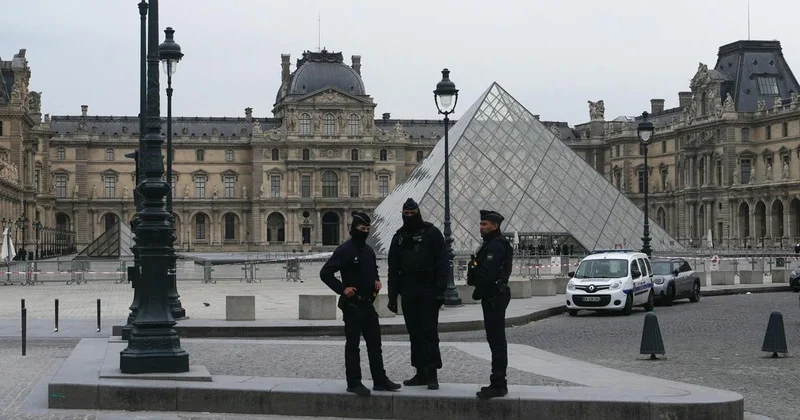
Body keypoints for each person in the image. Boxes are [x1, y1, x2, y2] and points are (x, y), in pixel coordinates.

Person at [320, 211, 401, 396]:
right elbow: (325, 273)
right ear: (353, 229)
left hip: (368, 304)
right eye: (362, 228)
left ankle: (380, 380)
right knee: (353, 346)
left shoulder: (369, 250)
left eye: (367, 229)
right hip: (352, 305)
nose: (365, 231)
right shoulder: (344, 250)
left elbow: (372, 270)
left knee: (375, 345)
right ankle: (354, 382)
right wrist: (342, 289)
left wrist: (376, 281)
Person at [387, 198, 448, 390]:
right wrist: (392, 296)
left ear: (418, 213)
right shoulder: (398, 237)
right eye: (407, 214)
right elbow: (392, 269)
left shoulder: (433, 233)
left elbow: (442, 263)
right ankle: (420, 372)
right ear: (403, 214)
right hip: (408, 289)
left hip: (428, 289)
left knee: (429, 332)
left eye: (413, 214)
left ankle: (432, 374)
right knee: (414, 333)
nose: (410, 217)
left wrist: (440, 291)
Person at [469, 210, 513, 399]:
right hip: (494, 296)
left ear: (495, 226)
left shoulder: (495, 246)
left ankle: (498, 383)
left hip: (493, 296)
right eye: (481, 224)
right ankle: (498, 381)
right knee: (495, 340)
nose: (481, 227)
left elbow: (487, 276)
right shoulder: (492, 244)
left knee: (496, 341)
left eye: (484, 224)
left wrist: (478, 291)